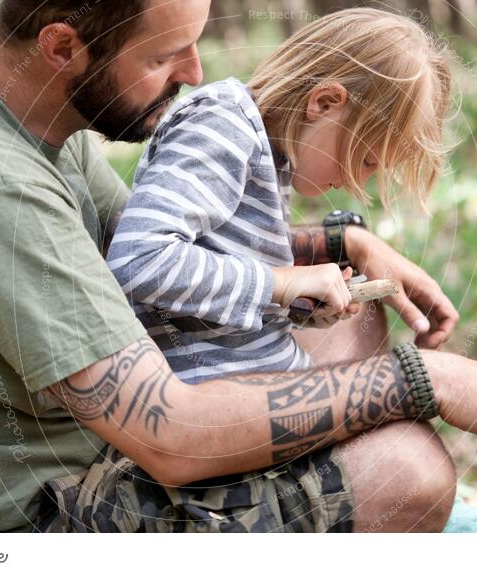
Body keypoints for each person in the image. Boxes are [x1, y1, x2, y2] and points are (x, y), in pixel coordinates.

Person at [0, 0, 477, 533]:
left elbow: (173, 246)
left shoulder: (31, 117)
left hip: (85, 450)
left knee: (354, 316)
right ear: (63, 45)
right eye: (165, 57)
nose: (193, 75)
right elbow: (173, 436)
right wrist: (423, 379)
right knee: (411, 472)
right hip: (23, 524)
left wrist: (341, 246)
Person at [110, 9, 449, 384]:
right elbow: (139, 260)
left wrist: (295, 304)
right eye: (366, 161)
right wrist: (280, 283)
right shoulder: (224, 126)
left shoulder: (270, 153)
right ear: (323, 103)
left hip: (257, 379)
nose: (358, 184)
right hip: (214, 399)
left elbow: (212, 283)